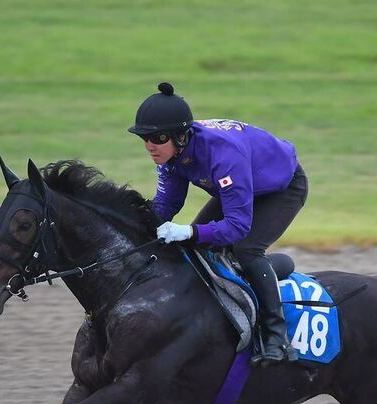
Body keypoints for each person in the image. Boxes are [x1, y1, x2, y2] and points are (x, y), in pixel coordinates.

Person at [129, 82, 308, 366]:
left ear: (181, 136)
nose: (150, 146)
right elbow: (166, 206)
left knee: (246, 249)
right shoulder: (171, 154)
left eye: (158, 138)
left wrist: (188, 231)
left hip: (280, 189)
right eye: (145, 139)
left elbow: (237, 226)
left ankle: (276, 336)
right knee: (197, 248)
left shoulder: (223, 155)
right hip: (242, 185)